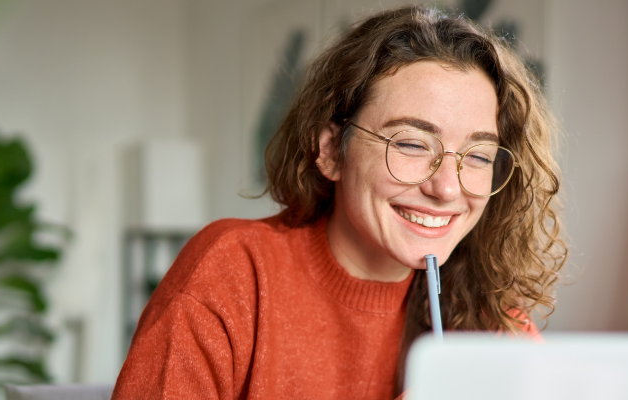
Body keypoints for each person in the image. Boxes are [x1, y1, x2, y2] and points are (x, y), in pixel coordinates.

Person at [112, 5, 566, 400]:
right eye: (410, 145)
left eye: (478, 155)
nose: (447, 188)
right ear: (331, 150)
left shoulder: (490, 322)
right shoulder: (233, 273)